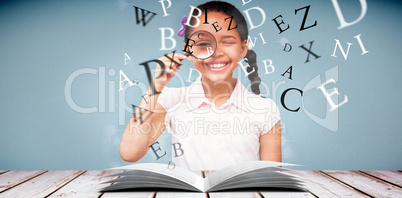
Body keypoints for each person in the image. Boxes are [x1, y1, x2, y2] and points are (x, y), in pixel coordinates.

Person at [119, 1, 282, 171]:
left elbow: (272, 176)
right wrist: (155, 88)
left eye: (227, 42)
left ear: (243, 49)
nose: (216, 52)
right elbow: (129, 153)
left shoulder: (265, 109)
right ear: (188, 50)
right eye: (203, 44)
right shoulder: (171, 99)